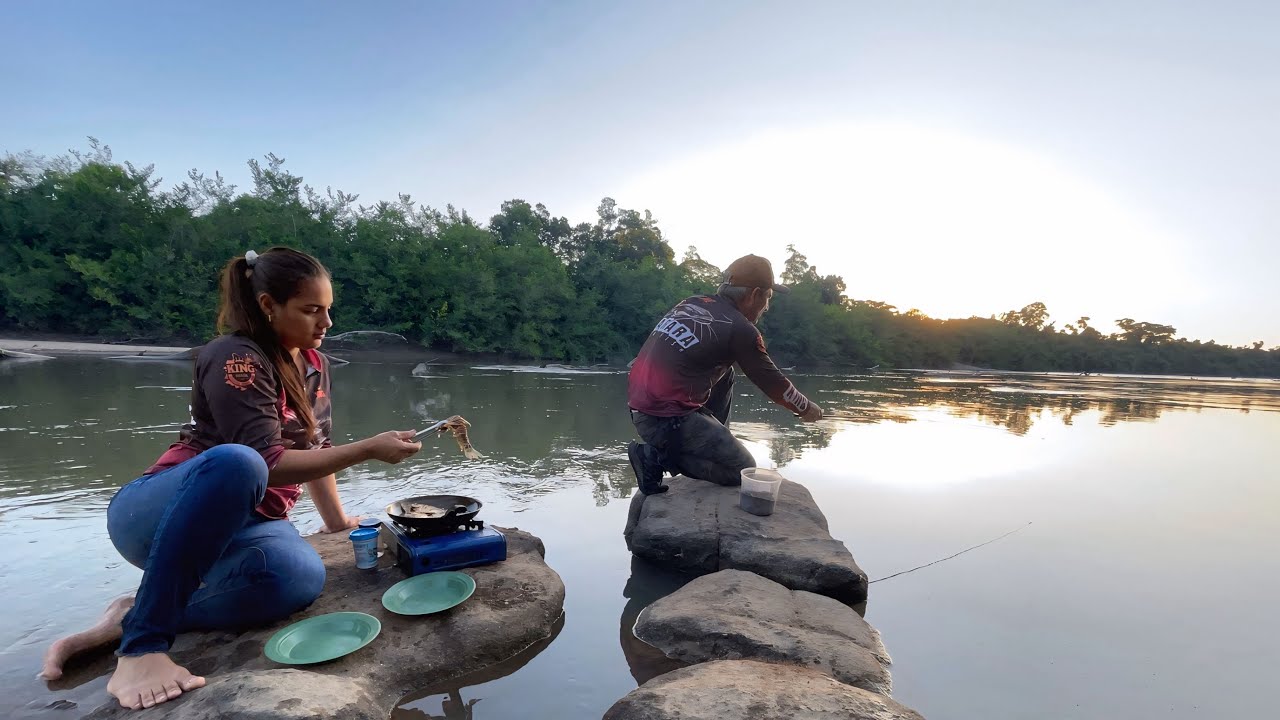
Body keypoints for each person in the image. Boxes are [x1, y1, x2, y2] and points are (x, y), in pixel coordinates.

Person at [40, 248, 424, 710]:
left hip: (249, 525)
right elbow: (269, 460)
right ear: (268, 305)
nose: (326, 323)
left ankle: (132, 611)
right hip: (161, 513)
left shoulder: (315, 365)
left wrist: (338, 522)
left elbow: (316, 449)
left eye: (328, 310)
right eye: (311, 310)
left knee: (298, 580)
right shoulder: (234, 357)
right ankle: (141, 645)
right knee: (240, 463)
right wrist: (366, 449)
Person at [626, 254, 823, 494]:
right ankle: (653, 457)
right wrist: (806, 408)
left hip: (641, 408)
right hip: (666, 420)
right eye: (768, 297)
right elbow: (772, 383)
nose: (767, 306)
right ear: (753, 295)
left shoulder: (692, 302)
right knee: (741, 470)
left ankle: (708, 437)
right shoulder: (740, 329)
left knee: (726, 372)